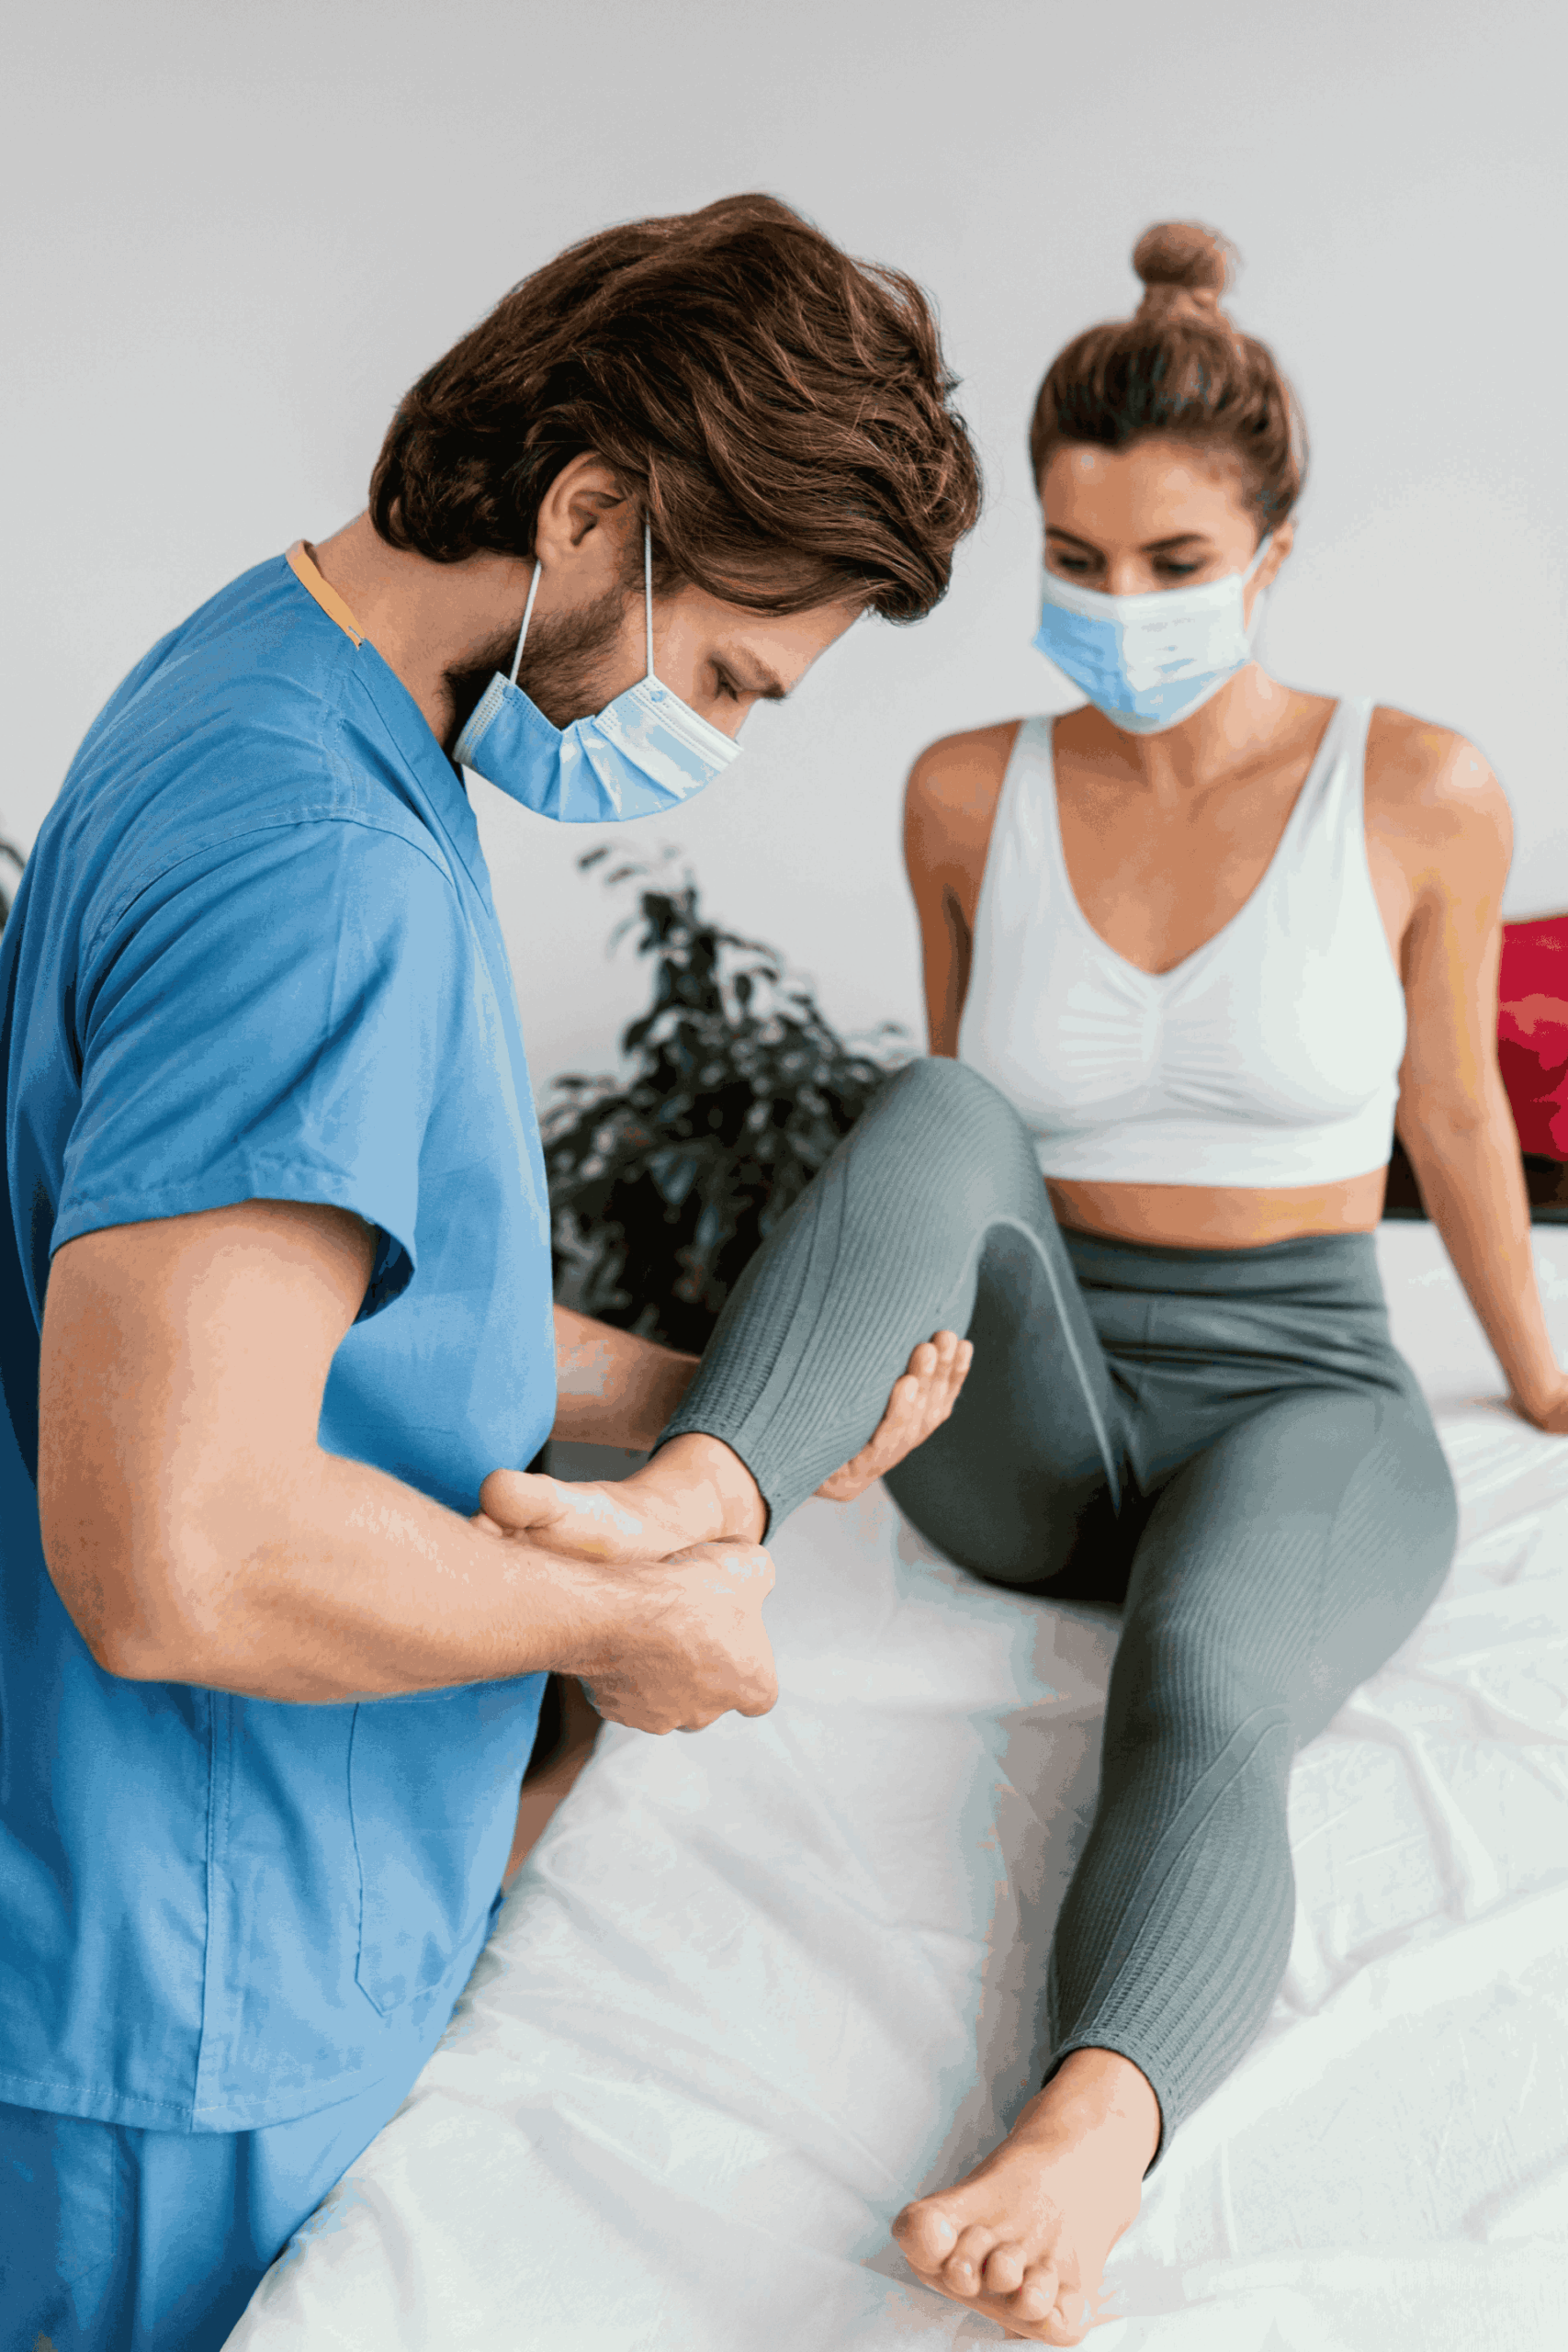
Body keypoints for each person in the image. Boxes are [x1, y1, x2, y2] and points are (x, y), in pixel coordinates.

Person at [496, 220, 1568, 2344]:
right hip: (1040, 1419)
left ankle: (1084, 2125)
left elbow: (1454, 1117)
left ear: (1271, 547)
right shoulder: (965, 790)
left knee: (1205, 1685)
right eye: (1077, 561)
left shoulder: (1422, 787)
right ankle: (697, 1505)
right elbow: (957, 1166)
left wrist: (1536, 1382)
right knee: (937, 1104)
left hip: (1301, 1405)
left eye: (1169, 561)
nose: (1118, 607)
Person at [0, 193, 983, 2351]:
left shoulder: (282, 687)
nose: (716, 734)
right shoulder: (322, 865)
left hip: (210, 1914)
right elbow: (174, 1543)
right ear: (593, 502)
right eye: (725, 671)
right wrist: (622, 1616)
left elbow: (299, 1324)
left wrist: (700, 1382)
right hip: (191, 1979)